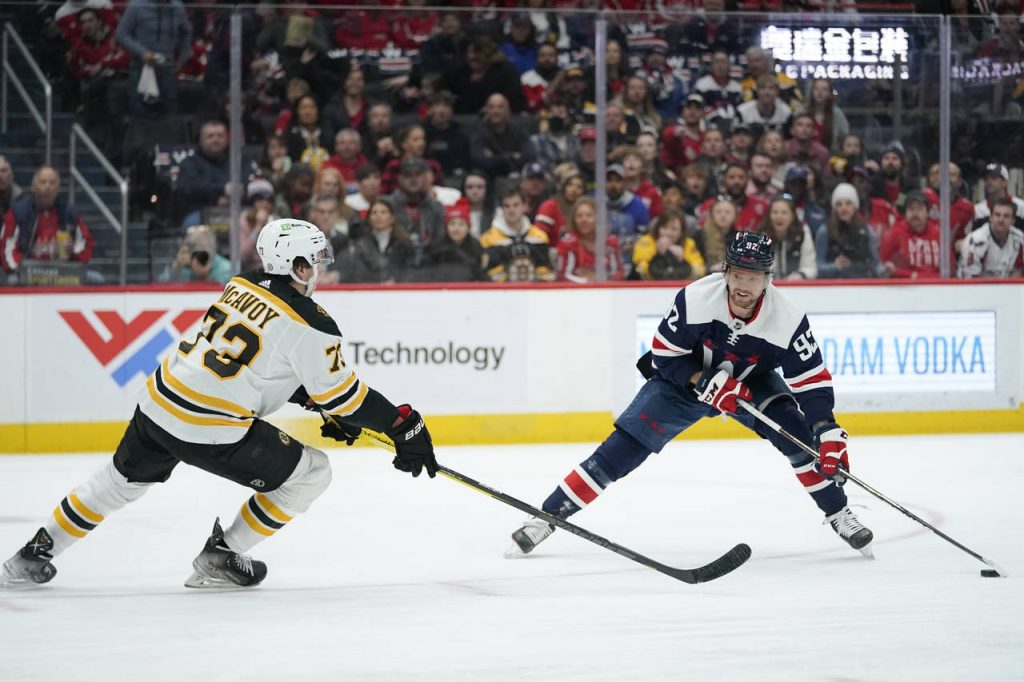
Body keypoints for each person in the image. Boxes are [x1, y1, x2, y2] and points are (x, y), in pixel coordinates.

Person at [0, 218, 437, 588]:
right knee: (313, 473)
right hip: (209, 426)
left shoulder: (241, 284)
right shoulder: (310, 322)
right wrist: (403, 426)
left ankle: (32, 554)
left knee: (116, 483)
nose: (320, 269)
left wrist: (316, 401)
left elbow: (258, 362)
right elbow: (346, 396)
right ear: (297, 265)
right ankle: (223, 554)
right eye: (315, 260)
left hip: (159, 403)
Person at [507, 232, 872, 559]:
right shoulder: (696, 299)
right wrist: (700, 379)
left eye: (753, 277)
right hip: (684, 381)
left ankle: (840, 514)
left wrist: (825, 427)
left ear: (768, 279)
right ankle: (546, 516)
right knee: (622, 448)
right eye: (737, 274)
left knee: (801, 439)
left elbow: (811, 380)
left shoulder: (788, 319)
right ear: (725, 271)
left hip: (752, 383)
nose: (743, 286)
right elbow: (663, 355)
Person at [1, 165, 95, 274]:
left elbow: (86, 244)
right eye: (43, 182)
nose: (47, 186)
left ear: (58, 188)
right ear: (34, 187)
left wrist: (72, 251)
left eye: (52, 182)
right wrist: (20, 270)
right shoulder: (18, 212)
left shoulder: (69, 212)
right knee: (12, 280)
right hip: (28, 271)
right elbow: (6, 248)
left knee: (96, 278)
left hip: (61, 271)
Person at [481, 186, 554, 282]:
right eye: (507, 206)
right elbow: (488, 273)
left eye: (516, 205)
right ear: (501, 209)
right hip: (501, 290)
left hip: (535, 289)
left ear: (525, 206)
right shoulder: (488, 238)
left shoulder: (539, 237)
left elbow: (546, 270)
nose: (511, 210)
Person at [816, 183, 881, 279]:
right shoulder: (824, 231)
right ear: (834, 208)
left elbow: (876, 263)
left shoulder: (866, 229)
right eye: (839, 204)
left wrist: (885, 271)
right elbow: (818, 267)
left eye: (848, 203)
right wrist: (835, 267)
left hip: (861, 282)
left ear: (855, 206)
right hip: (834, 284)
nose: (844, 208)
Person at [555, 197, 624, 282]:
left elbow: (619, 273)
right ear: (574, 220)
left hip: (606, 288)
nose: (584, 220)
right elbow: (563, 276)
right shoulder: (567, 243)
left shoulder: (611, 243)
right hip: (577, 289)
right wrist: (587, 281)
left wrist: (600, 280)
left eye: (589, 216)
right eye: (579, 216)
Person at [879, 192, 941, 280]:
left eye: (919, 209)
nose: (915, 213)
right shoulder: (895, 233)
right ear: (905, 213)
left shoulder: (938, 234)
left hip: (936, 286)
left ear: (927, 213)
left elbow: (950, 270)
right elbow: (882, 266)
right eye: (911, 209)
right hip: (904, 287)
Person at [958, 197, 1024, 278]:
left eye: (1006, 216)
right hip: (977, 284)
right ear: (990, 217)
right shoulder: (975, 240)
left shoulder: (1020, 239)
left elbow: (1018, 273)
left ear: (1013, 220)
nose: (1001, 219)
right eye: (997, 215)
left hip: (1008, 284)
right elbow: (970, 280)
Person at [631, 210, 705, 281]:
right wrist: (658, 253)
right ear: (658, 228)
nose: (668, 233)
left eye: (674, 229)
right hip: (651, 287)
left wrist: (683, 259)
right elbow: (640, 270)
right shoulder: (646, 241)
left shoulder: (688, 243)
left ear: (681, 232)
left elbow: (700, 271)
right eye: (664, 227)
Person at [758, 195, 817, 280]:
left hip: (796, 284)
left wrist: (798, 276)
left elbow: (810, 268)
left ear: (792, 216)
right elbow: (757, 269)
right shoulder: (762, 237)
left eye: (784, 213)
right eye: (775, 212)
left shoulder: (803, 233)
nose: (779, 216)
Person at [159, 224, 231, 284]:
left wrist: (204, 276)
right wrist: (176, 266)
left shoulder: (226, 269)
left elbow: (220, 292)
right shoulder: (185, 268)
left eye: (203, 247)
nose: (200, 253)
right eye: (194, 248)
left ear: (212, 247)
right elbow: (161, 283)